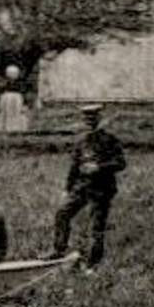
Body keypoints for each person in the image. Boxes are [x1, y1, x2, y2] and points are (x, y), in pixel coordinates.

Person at [51, 104, 126, 268]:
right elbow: (74, 167)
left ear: (99, 119)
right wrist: (67, 189)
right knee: (62, 213)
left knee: (96, 227)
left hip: (102, 189)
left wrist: (100, 167)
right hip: (82, 187)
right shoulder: (81, 141)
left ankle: (92, 264)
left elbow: (121, 163)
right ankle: (58, 251)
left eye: (92, 119)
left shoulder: (110, 139)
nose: (89, 123)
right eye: (86, 119)